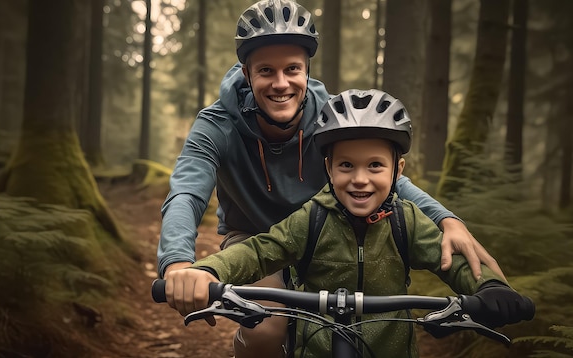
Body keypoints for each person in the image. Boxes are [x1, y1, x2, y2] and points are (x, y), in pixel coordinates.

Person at [158, 0, 505, 357]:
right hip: (254, 240)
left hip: (331, 230)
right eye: (266, 71)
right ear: (247, 74)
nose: (281, 83)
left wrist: (445, 219)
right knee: (266, 328)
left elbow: (382, 178)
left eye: (292, 68)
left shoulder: (334, 119)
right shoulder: (217, 125)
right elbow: (187, 192)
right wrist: (180, 265)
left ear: (307, 69)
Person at [167, 89, 532, 357]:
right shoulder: (311, 218)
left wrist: (492, 290)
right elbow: (260, 251)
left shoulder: (407, 223)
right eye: (346, 166)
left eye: (375, 166)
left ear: (397, 170)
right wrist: (208, 270)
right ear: (328, 168)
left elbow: (449, 258)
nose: (360, 179)